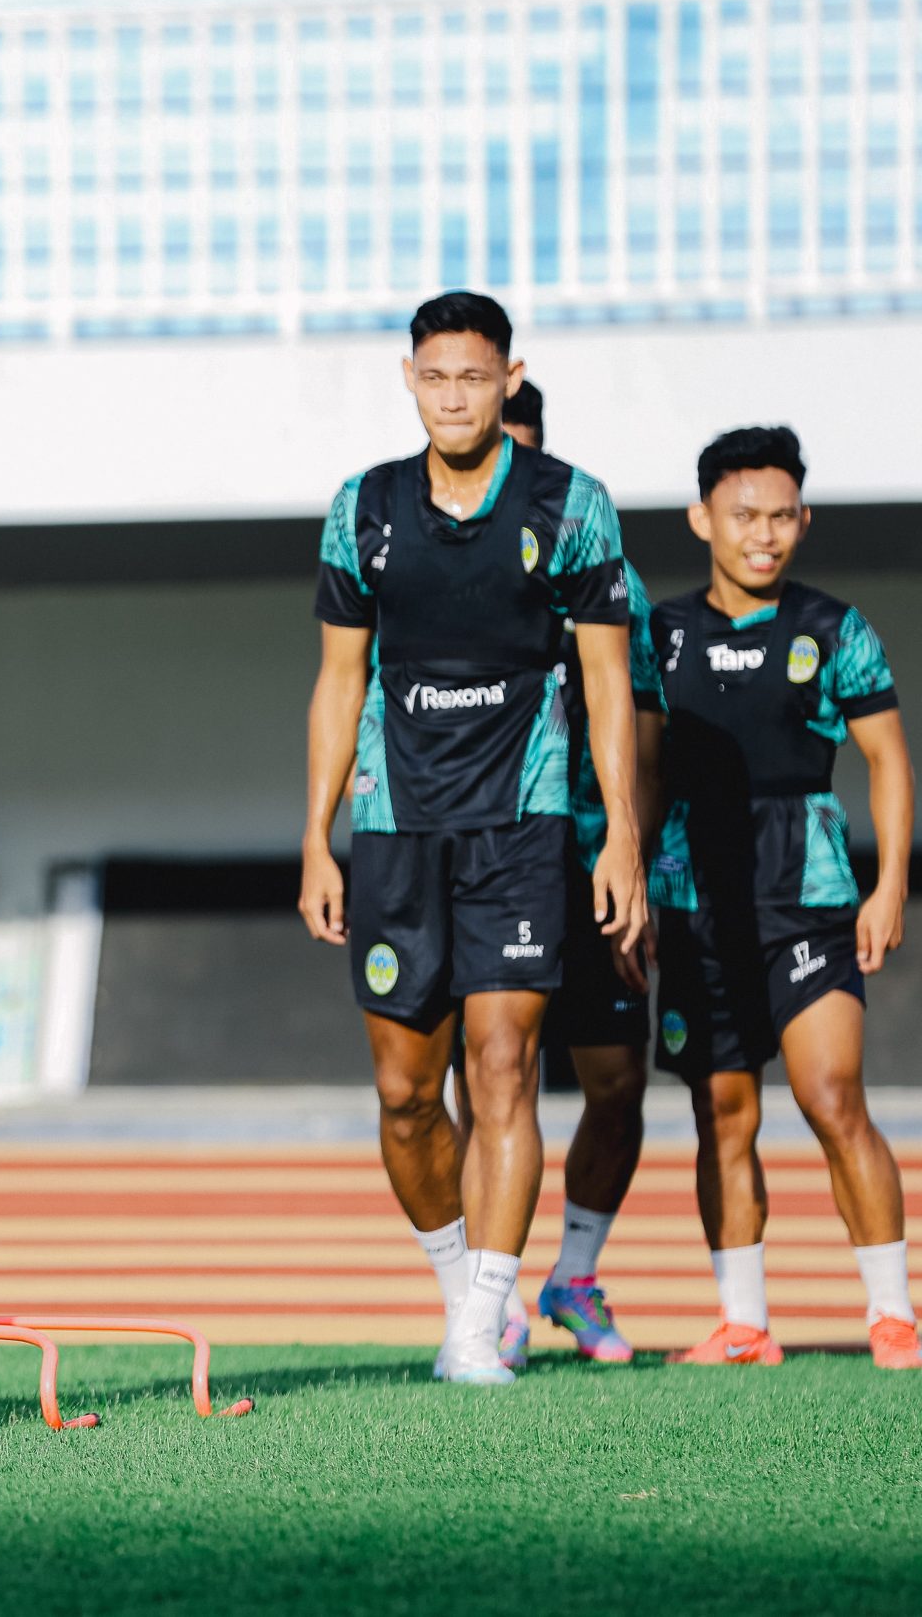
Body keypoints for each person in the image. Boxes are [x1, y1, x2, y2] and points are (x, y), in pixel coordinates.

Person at [300, 292, 646, 1386]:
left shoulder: (572, 504)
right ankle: (460, 1296)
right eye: (435, 376)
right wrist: (315, 838)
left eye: (475, 377)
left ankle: (485, 1315)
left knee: (504, 1066)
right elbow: (336, 680)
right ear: (410, 379)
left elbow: (606, 681)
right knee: (406, 1094)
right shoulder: (362, 508)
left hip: (526, 819)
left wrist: (622, 835)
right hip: (397, 827)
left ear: (509, 378)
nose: (455, 395)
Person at [643, 426, 922, 1369]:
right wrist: (632, 884)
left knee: (831, 1093)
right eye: (743, 515)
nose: (763, 534)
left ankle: (891, 1317)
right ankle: (744, 1322)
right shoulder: (663, 633)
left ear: (803, 521)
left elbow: (888, 759)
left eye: (780, 517)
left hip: (806, 892)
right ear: (702, 519)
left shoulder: (833, 628)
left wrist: (888, 883)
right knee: (723, 1115)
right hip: (692, 896)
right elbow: (639, 771)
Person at [443, 379, 654, 1364]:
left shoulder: (590, 548)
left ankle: (572, 1270)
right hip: (479, 847)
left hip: (581, 855)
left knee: (615, 1083)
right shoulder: (439, 557)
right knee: (483, 1080)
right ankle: (494, 1296)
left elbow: (642, 717)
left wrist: (632, 849)